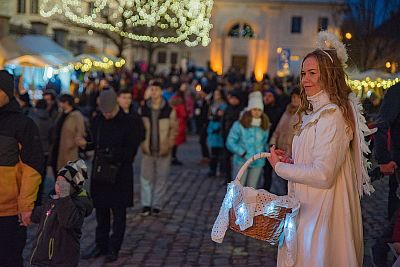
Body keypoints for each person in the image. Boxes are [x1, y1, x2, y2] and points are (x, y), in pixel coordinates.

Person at [267, 33, 373, 266]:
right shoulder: (314, 114)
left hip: (322, 213)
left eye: (313, 73)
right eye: (304, 73)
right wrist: (293, 161)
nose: (305, 80)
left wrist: (281, 168)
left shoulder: (332, 115)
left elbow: (323, 175)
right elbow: (314, 159)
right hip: (305, 208)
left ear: (329, 75)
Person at [83, 89, 143, 262]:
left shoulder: (129, 122)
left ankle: (114, 248)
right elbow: (92, 142)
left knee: (118, 214)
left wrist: (112, 154)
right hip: (101, 173)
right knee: (101, 212)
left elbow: (130, 152)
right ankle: (100, 245)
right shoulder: (97, 120)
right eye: (104, 111)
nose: (107, 115)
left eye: (110, 111)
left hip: (120, 175)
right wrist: (84, 144)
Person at [0, 70, 44, 267]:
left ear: (6, 93)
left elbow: (32, 168)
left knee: (9, 259)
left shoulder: (23, 124)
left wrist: (26, 206)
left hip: (9, 212)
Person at [30, 160, 93, 267]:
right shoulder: (53, 199)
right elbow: (40, 213)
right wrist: (27, 212)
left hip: (62, 259)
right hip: (43, 257)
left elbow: (68, 221)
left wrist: (63, 197)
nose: (59, 186)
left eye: (63, 184)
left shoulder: (78, 204)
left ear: (73, 186)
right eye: (57, 182)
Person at [371, 83, 400, 267]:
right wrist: (383, 160)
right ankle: (381, 250)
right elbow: (381, 125)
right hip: (398, 167)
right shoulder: (397, 91)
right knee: (395, 223)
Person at [139, 82, 178, 216]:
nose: (154, 92)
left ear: (161, 92)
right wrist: (142, 143)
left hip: (163, 149)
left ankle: (157, 205)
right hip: (148, 148)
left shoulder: (169, 110)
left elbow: (174, 129)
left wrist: (169, 143)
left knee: (161, 178)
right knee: (146, 178)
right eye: (152, 89)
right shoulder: (144, 109)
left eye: (156, 89)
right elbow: (139, 128)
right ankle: (146, 204)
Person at [226, 91, 269, 188]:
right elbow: (230, 142)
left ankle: (248, 204)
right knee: (238, 188)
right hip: (241, 161)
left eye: (259, 109)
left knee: (251, 189)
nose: (257, 112)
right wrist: (242, 152)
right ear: (250, 109)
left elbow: (264, 142)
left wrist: (263, 153)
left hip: (257, 162)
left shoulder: (264, 125)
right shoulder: (240, 124)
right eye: (254, 109)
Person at [269, 88, 301, 195]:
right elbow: (278, 129)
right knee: (277, 181)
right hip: (280, 151)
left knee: (288, 183)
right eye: (293, 96)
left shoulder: (304, 114)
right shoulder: (287, 111)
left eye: (297, 97)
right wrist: (272, 143)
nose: (294, 99)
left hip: (292, 154)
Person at [50, 94, 86, 174]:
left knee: (67, 173)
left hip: (69, 149)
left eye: (61, 102)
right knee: (56, 169)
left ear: (66, 103)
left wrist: (72, 143)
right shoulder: (61, 113)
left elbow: (80, 131)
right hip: (58, 146)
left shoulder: (76, 115)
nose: (59, 104)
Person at [207, 88, 228, 178]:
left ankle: (221, 170)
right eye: (215, 94)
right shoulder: (212, 105)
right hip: (212, 128)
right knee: (213, 152)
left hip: (219, 129)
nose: (216, 96)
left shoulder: (223, 105)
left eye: (218, 94)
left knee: (221, 152)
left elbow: (221, 117)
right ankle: (213, 169)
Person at [169, 85, 188, 166]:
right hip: (179, 124)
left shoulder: (172, 103)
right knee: (175, 143)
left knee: (174, 142)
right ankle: (173, 157)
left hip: (173, 123)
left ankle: (172, 157)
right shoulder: (180, 104)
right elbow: (184, 114)